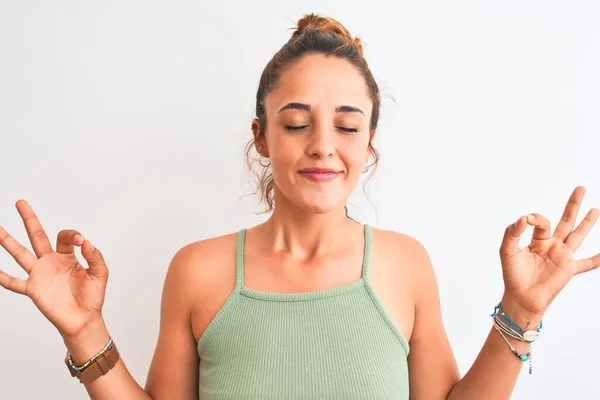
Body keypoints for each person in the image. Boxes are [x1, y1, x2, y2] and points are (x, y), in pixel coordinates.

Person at [0, 13, 598, 400]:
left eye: (346, 125)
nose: (322, 146)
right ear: (261, 137)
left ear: (369, 143)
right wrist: (85, 331)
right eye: (295, 123)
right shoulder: (198, 271)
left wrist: (520, 311)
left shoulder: (404, 265)